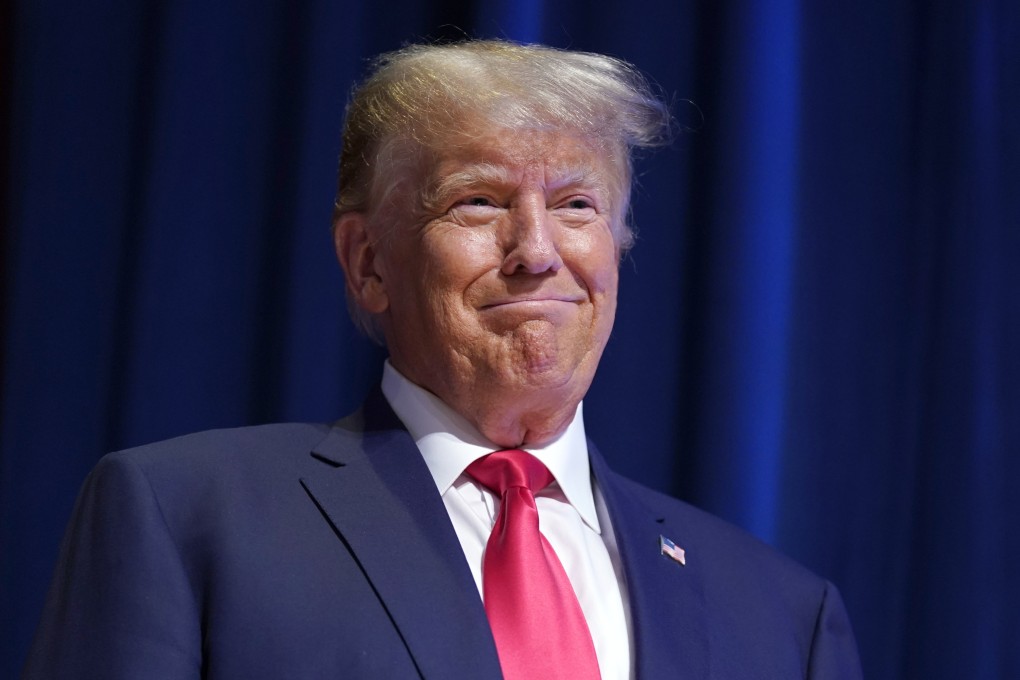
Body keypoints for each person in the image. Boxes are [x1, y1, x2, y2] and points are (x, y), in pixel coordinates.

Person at [23, 40, 862, 679]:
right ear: (369, 263)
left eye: (576, 204)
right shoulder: (188, 519)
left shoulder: (783, 617)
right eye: (480, 201)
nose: (537, 250)